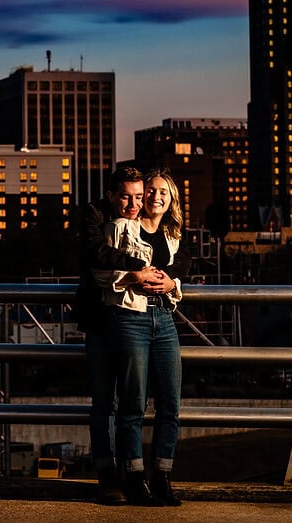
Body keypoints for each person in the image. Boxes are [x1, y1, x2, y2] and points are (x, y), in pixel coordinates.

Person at [74, 166, 188, 506]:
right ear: (112, 195)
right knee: (112, 403)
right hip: (109, 316)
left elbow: (182, 262)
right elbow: (96, 256)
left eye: (146, 194)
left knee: (166, 402)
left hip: (160, 316)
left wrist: (171, 282)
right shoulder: (104, 218)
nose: (139, 201)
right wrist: (134, 271)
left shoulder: (170, 232)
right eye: (133, 195)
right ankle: (115, 478)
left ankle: (159, 477)